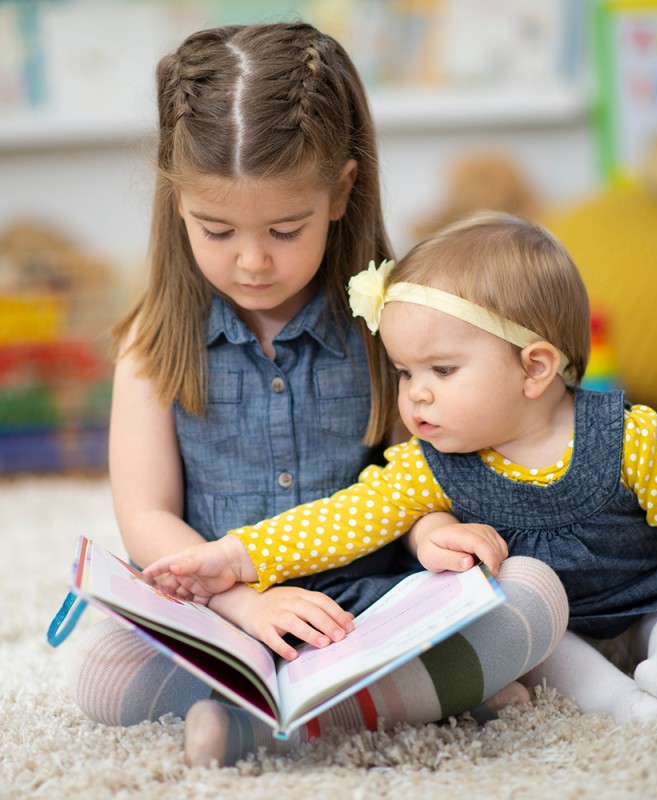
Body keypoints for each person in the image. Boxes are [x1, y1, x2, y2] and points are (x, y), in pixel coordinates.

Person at [65, 25, 569, 767]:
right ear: (178, 204)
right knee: (99, 673)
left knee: (534, 592)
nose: (253, 260)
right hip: (220, 613)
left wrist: (431, 533)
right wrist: (245, 604)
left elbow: (416, 473)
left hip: (364, 606)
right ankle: (400, 701)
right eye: (217, 229)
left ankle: (285, 717)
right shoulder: (153, 337)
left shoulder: (390, 319)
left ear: (340, 192)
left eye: (284, 228)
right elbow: (146, 517)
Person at [148, 209, 657, 754]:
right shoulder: (428, 461)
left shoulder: (629, 438)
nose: (416, 398)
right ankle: (622, 701)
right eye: (405, 374)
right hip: (558, 623)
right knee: (526, 633)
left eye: (442, 370)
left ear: (535, 368)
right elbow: (339, 520)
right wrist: (234, 557)